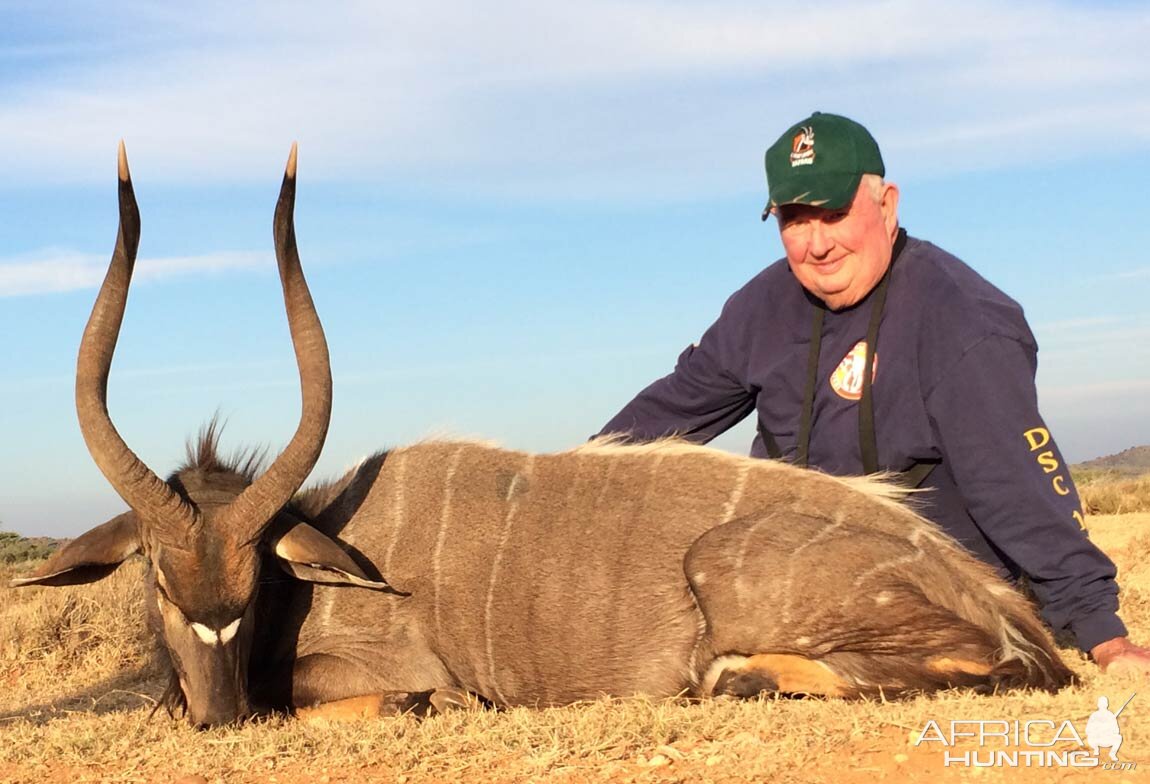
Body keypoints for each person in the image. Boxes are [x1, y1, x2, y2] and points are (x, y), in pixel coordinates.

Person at [599, 111, 1150, 674]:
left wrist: (1101, 633)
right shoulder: (760, 308)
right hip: (789, 575)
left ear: (887, 206)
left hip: (921, 586)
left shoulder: (962, 318)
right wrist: (570, 477)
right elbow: (673, 408)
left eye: (834, 215)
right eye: (794, 219)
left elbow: (1016, 481)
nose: (816, 245)